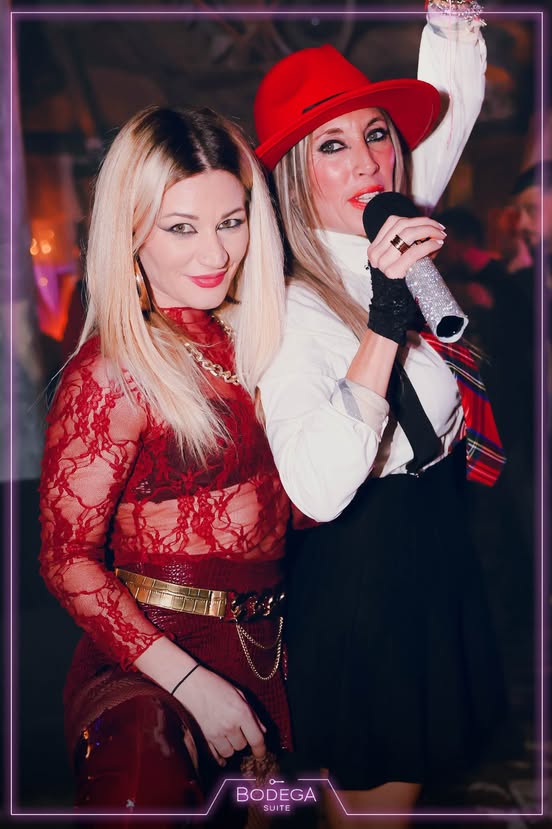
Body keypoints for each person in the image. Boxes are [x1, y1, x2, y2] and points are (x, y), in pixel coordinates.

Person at [252, 3, 506, 827]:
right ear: (295, 175)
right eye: (332, 145)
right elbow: (317, 489)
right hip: (369, 570)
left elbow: (449, 116)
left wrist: (454, 26)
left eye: (376, 134)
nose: (368, 159)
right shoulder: (292, 308)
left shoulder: (381, 222)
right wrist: (386, 319)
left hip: (435, 540)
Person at [38, 105, 290, 826]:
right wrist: (189, 683)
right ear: (131, 232)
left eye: (231, 221)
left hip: (272, 648)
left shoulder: (256, 338)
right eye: (181, 227)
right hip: (151, 664)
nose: (216, 252)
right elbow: (66, 560)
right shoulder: (111, 371)